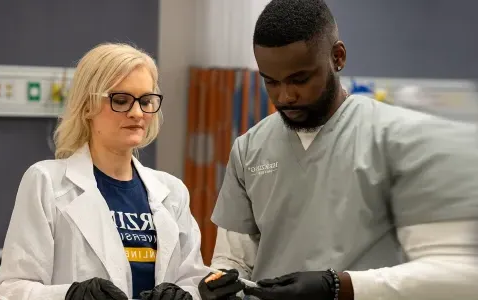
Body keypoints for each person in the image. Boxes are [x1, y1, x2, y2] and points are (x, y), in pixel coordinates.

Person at [198, 0, 478, 299]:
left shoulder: (399, 141)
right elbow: (235, 261)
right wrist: (220, 282)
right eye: (271, 82)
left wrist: (340, 286)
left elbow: (452, 273)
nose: (286, 96)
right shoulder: (249, 149)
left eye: (300, 79)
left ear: (338, 57)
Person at [0, 43, 208, 300]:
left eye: (146, 101)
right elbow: (10, 291)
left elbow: (192, 279)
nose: (137, 113)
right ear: (87, 106)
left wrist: (187, 295)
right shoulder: (46, 182)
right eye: (121, 100)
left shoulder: (172, 192)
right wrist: (71, 295)